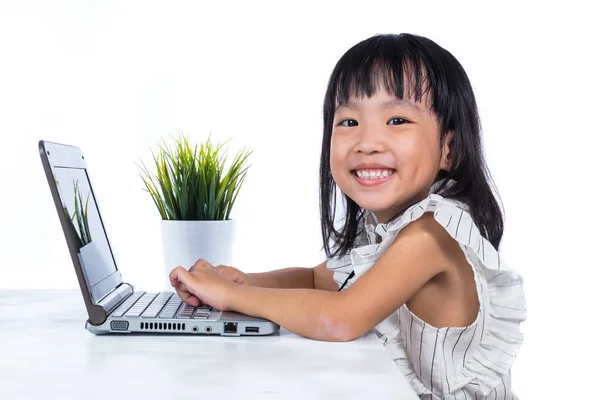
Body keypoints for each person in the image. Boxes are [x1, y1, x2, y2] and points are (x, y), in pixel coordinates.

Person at [169, 33, 526, 400]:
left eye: (397, 119)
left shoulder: (431, 234)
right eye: (349, 122)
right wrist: (246, 281)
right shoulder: (385, 230)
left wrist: (230, 296)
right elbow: (314, 279)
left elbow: (340, 318)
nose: (367, 141)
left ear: (448, 150)